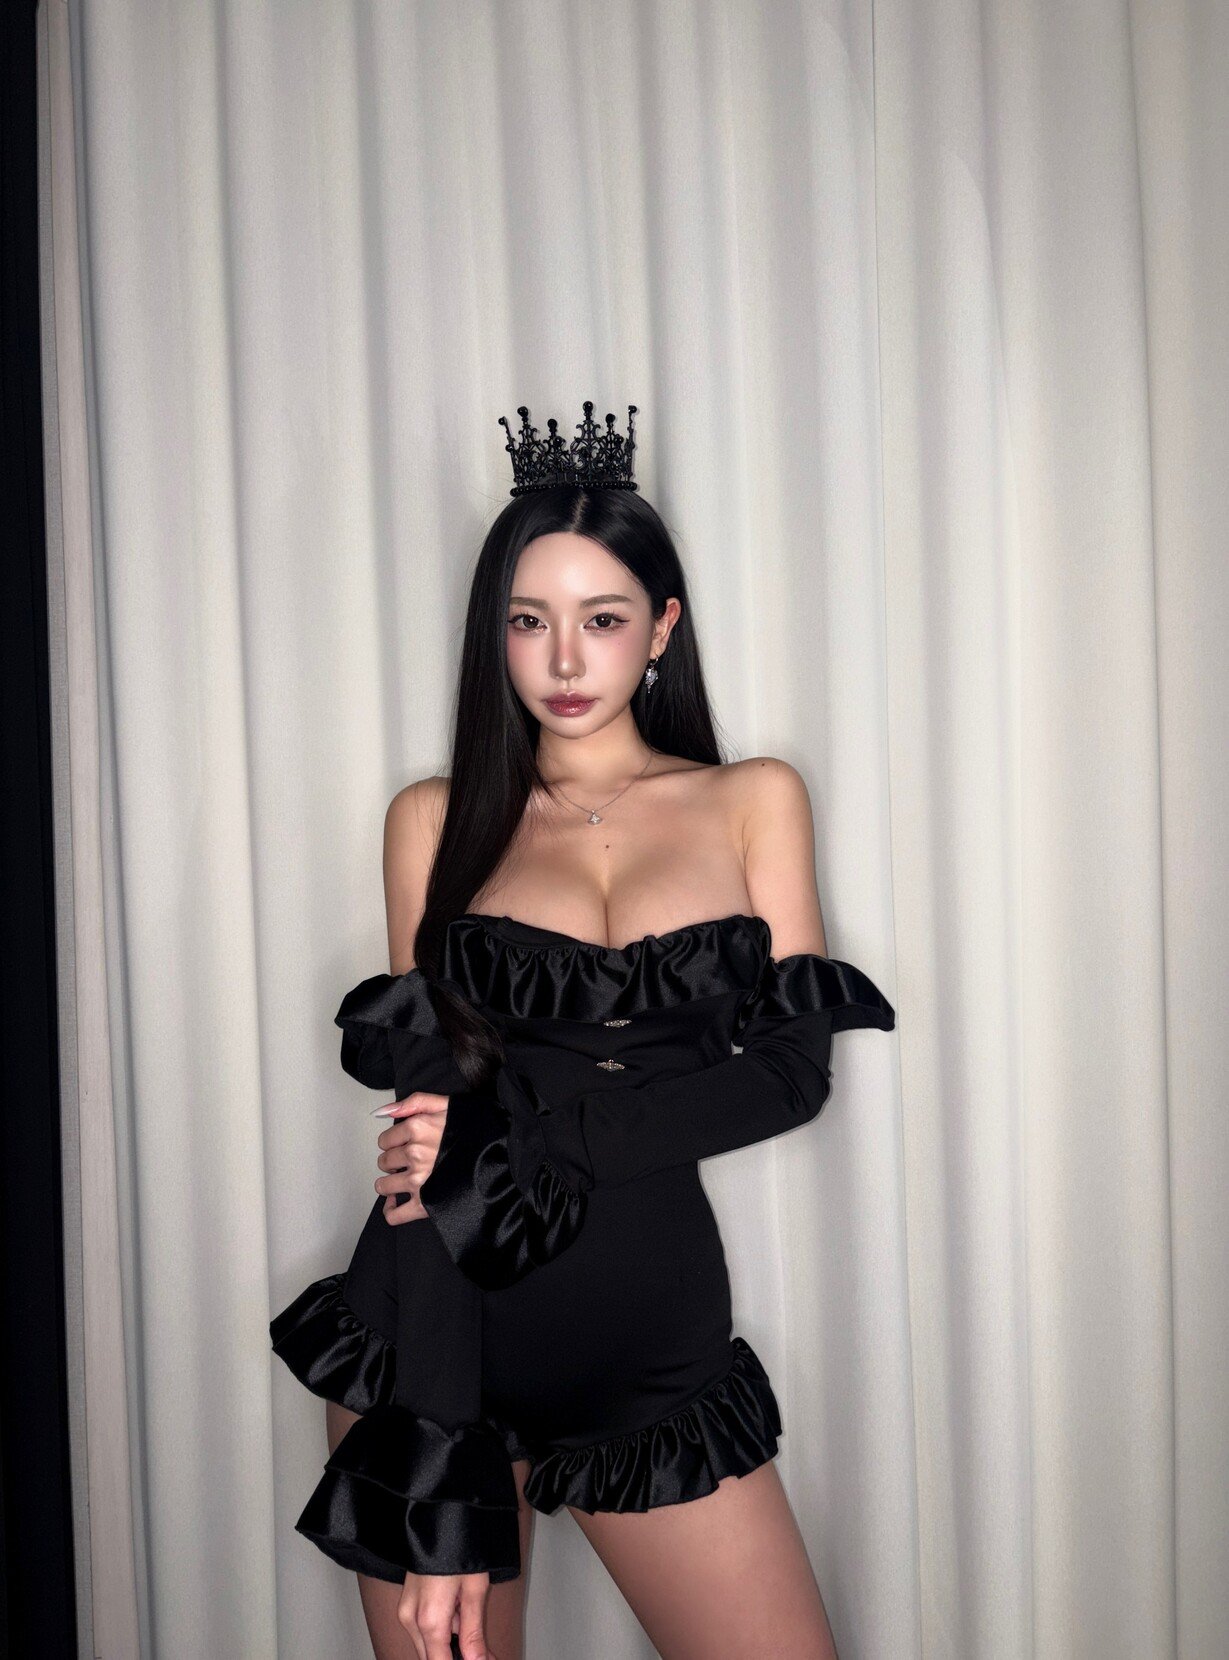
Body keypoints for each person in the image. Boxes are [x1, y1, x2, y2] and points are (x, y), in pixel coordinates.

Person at [270, 404, 895, 1660]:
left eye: (600, 619)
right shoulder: (432, 819)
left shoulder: (751, 799)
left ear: (661, 627)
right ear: (492, 633)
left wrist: (544, 1141)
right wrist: (438, 1461)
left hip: (649, 1345)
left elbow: (788, 1075)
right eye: (528, 620)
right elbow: (427, 1164)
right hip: (432, 1342)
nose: (563, 658)